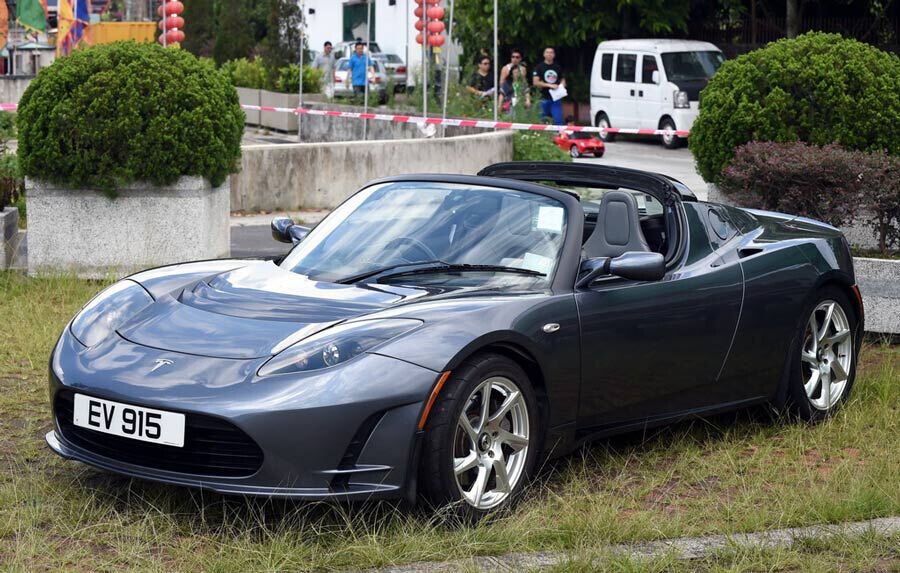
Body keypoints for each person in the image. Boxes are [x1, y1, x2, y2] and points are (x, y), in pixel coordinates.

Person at [532, 46, 565, 125]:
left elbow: (562, 79)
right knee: (541, 119)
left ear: (554, 55)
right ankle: (540, 136)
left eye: (551, 52)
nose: (549, 54)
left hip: (556, 98)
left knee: (558, 119)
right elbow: (535, 82)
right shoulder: (539, 67)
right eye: (547, 52)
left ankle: (560, 135)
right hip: (543, 97)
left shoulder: (558, 67)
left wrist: (562, 86)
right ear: (544, 54)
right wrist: (549, 85)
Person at [499, 48, 531, 113]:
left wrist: (527, 100)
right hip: (509, 95)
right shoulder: (505, 68)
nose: (515, 59)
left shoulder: (523, 69)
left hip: (519, 96)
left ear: (520, 58)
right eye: (513, 57)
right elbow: (501, 84)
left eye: (517, 57)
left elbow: (524, 83)